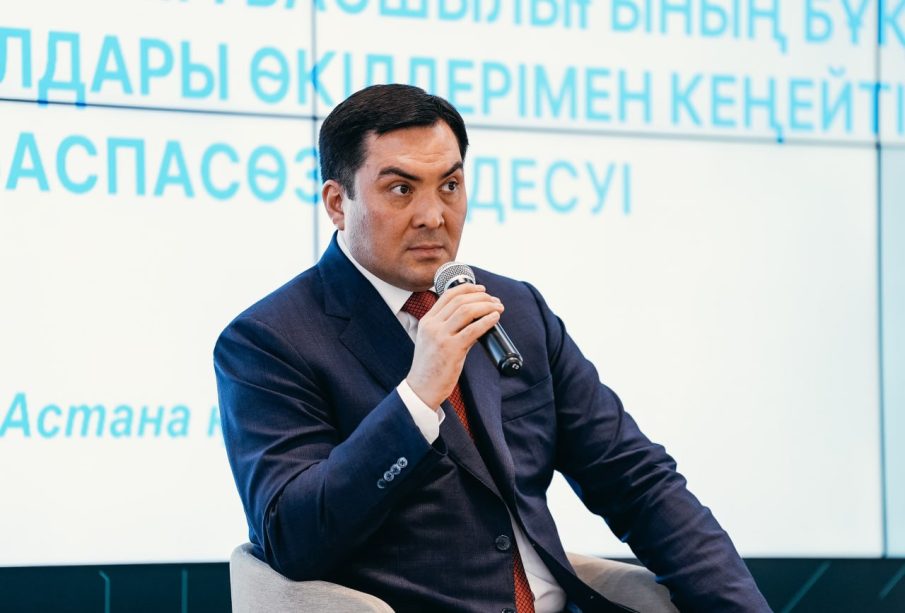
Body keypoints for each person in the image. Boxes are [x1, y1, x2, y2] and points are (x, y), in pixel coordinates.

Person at [214, 84, 770, 613]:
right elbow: (292, 538)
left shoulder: (517, 311)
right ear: (338, 203)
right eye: (402, 189)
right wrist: (416, 399)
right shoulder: (269, 341)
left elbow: (637, 481)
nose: (434, 216)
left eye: (450, 186)